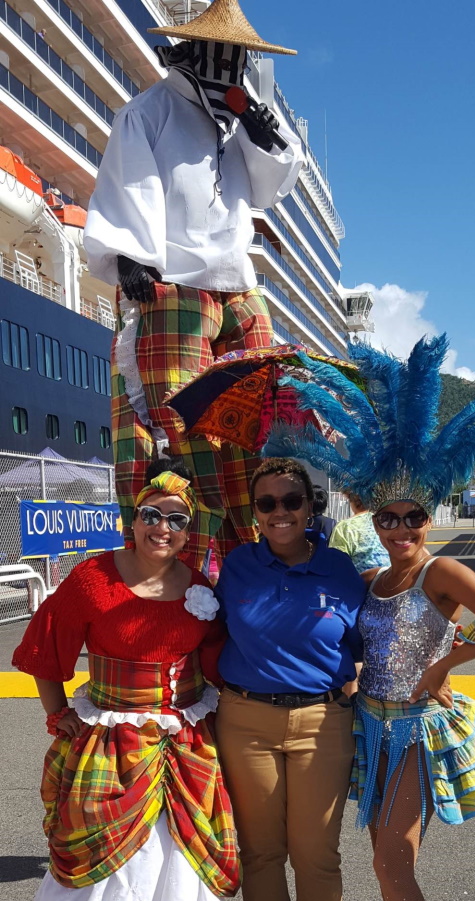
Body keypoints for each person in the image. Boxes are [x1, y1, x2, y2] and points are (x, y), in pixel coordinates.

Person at [263, 336, 475, 901]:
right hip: (371, 724)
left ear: (430, 514)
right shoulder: (374, 581)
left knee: (391, 857)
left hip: (416, 728)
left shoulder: (440, 572)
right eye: (388, 518)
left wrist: (443, 667)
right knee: (387, 854)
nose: (400, 529)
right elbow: (346, 633)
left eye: (412, 516)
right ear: (374, 518)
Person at [83, 0, 303, 567]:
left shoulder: (236, 121)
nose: (231, 67)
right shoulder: (149, 112)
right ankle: (185, 563)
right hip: (174, 280)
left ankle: (253, 551)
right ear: (195, 53)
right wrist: (131, 256)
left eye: (239, 58)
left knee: (258, 420)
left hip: (238, 283)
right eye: (224, 55)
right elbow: (129, 180)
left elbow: (268, 189)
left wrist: (266, 135)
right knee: (181, 430)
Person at [12, 459, 240, 901]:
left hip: (184, 742)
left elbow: (216, 658)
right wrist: (58, 715)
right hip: (110, 740)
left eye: (177, 519)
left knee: (177, 865)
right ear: (132, 521)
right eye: (152, 515)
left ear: (188, 531)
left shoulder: (200, 585)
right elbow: (46, 653)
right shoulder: (93, 577)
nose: (163, 527)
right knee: (109, 863)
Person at [214, 457, 366, 901]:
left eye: (291, 501)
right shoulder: (235, 567)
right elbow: (199, 627)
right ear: (255, 512)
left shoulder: (341, 570)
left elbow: (372, 639)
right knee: (261, 853)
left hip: (323, 724)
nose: (280, 512)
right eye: (267, 503)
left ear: (310, 507)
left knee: (316, 854)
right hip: (245, 722)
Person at [329, 492, 389, 572]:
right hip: (388, 579)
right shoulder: (385, 522)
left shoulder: (345, 527)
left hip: (357, 582)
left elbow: (336, 564)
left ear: (352, 501)